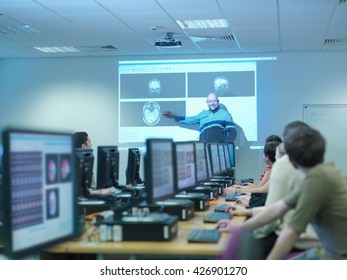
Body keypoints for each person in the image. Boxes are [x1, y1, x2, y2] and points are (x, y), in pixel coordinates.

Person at [218, 126, 347, 260]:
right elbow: (279, 207)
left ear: (289, 159)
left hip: (335, 257)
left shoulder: (316, 180)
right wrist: (240, 227)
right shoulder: (322, 173)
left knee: (252, 241)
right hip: (327, 249)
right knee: (248, 237)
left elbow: (291, 232)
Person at [163, 92, 237, 143]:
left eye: (214, 101)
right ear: (207, 102)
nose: (212, 103)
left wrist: (224, 145)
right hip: (203, 150)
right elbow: (189, 120)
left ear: (218, 101)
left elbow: (233, 133)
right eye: (210, 101)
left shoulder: (225, 115)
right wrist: (174, 116)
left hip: (218, 152)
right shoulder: (203, 114)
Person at [72, 131, 112, 196]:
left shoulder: (86, 164)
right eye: (89, 142)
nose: (91, 144)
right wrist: (99, 192)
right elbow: (76, 192)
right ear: (84, 146)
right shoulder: (73, 167)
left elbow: (90, 189)